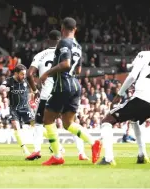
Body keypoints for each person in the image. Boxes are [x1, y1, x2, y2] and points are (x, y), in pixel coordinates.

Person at [98, 34, 150, 165]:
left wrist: (119, 94)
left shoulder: (144, 54)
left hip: (142, 97)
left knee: (107, 121)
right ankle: (142, 155)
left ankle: (109, 158)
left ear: (149, 45)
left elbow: (132, 76)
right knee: (135, 120)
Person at [39, 17, 102, 166]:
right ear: (76, 29)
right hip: (75, 84)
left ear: (62, 28)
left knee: (47, 119)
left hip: (63, 83)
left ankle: (57, 156)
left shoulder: (63, 42)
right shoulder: (78, 46)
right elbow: (78, 69)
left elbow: (66, 64)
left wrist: (47, 73)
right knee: (68, 123)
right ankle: (93, 143)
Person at [26, 30, 88, 161]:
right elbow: (77, 70)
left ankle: (38, 151)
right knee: (71, 123)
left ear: (48, 40)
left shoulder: (41, 55)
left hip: (47, 94)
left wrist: (35, 90)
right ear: (60, 40)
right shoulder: (68, 51)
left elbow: (29, 74)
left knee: (39, 123)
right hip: (66, 89)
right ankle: (82, 153)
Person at [0, 64, 34, 155]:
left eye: (25, 74)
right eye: (22, 74)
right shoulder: (9, 81)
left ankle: (53, 144)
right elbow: (1, 87)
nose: (24, 76)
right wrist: (6, 89)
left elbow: (33, 90)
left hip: (25, 108)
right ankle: (24, 149)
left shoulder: (26, 80)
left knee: (36, 126)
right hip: (14, 109)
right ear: (16, 73)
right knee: (16, 126)